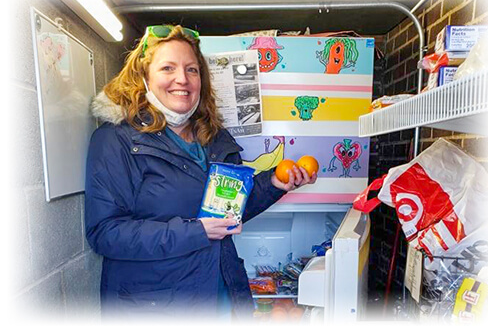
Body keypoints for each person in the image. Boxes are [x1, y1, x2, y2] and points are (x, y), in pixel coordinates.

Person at [85, 25, 317, 322]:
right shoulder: (116, 140)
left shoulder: (214, 140)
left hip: (222, 296)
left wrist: (274, 183)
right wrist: (197, 230)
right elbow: (106, 233)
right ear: (144, 77)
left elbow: (227, 212)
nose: (182, 79)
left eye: (192, 70)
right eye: (167, 68)